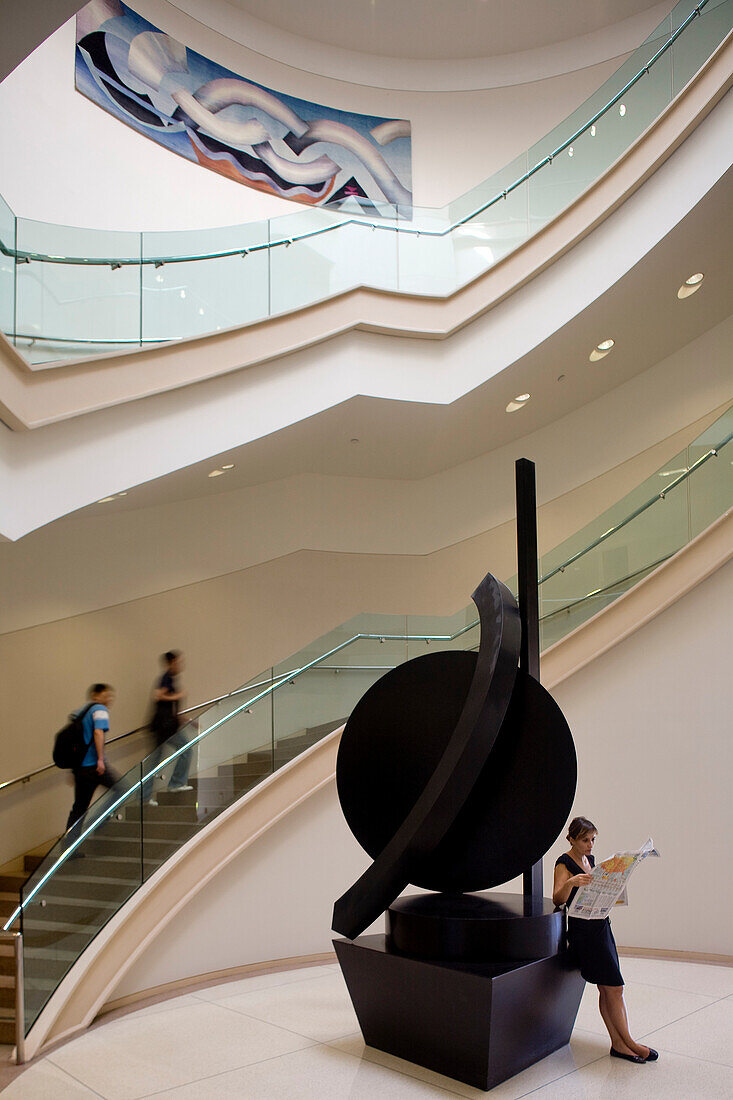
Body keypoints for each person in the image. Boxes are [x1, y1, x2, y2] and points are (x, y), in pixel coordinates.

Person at [553, 816, 658, 1065]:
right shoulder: (563, 863)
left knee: (607, 987)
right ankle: (629, 1042)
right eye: (585, 840)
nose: (590, 845)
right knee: (615, 987)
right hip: (584, 932)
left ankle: (619, 1044)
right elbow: (558, 898)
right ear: (571, 840)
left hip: (600, 926)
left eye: (593, 840)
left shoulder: (590, 860)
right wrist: (571, 881)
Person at [66, 683, 119, 831]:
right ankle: (98, 822)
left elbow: (74, 741)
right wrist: (101, 760)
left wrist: (72, 770)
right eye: (106, 695)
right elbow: (98, 732)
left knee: (79, 807)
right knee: (123, 790)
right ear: (95, 696)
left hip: (80, 769)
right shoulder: (99, 709)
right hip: (95, 766)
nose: (109, 699)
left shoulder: (80, 712)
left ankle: (69, 849)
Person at [143, 650, 193, 804]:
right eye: (178, 662)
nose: (180, 665)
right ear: (171, 663)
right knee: (186, 749)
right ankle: (175, 784)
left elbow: (168, 705)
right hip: (163, 728)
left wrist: (184, 718)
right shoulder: (166, 678)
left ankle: (145, 797)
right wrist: (177, 696)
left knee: (154, 762)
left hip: (164, 727)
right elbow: (158, 696)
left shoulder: (170, 679)